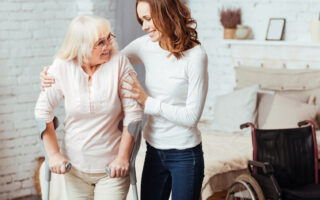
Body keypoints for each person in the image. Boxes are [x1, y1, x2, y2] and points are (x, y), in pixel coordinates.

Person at [40, 0, 208, 199]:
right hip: (154, 149)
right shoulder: (145, 45)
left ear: (167, 14)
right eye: (141, 20)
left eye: (147, 19)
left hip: (185, 153)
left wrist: (147, 102)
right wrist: (54, 71)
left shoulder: (196, 56)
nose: (144, 27)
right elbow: (104, 59)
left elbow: (191, 117)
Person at [35, 14, 142, 200]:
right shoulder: (62, 67)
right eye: (100, 42)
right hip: (74, 168)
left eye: (109, 38)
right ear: (81, 47)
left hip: (112, 169)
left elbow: (133, 115)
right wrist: (53, 155)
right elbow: (42, 112)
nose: (108, 46)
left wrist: (123, 158)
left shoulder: (119, 63)